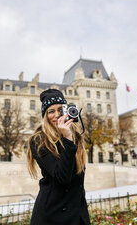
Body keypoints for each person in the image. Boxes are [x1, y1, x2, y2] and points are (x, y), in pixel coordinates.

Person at [27, 89, 91, 225]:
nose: (57, 115)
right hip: (52, 216)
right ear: (45, 115)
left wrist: (84, 217)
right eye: (51, 111)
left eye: (60, 109)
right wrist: (67, 138)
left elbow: (79, 183)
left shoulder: (76, 137)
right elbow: (62, 177)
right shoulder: (39, 141)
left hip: (76, 214)